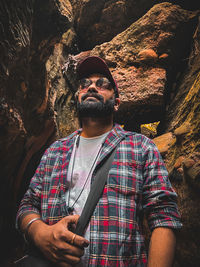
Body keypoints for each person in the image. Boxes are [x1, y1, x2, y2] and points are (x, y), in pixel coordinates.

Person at [16, 56, 182, 267]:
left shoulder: (141, 147)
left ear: (117, 104)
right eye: (85, 84)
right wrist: (40, 233)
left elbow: (164, 215)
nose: (92, 87)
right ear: (78, 97)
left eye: (102, 84)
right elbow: (28, 204)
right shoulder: (54, 151)